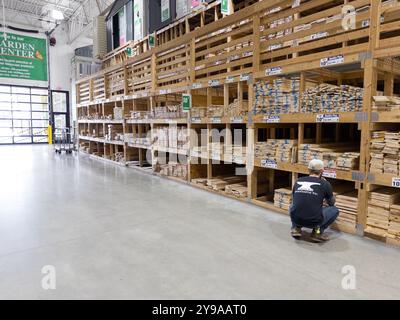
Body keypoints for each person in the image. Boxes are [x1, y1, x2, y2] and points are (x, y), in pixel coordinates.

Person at [290, 159, 339, 242]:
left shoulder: (298, 181)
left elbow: (295, 199)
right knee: (334, 210)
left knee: (293, 205)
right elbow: (331, 203)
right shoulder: (325, 184)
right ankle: (317, 232)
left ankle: (296, 228)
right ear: (322, 171)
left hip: (296, 218)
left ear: (308, 170)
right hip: (314, 221)